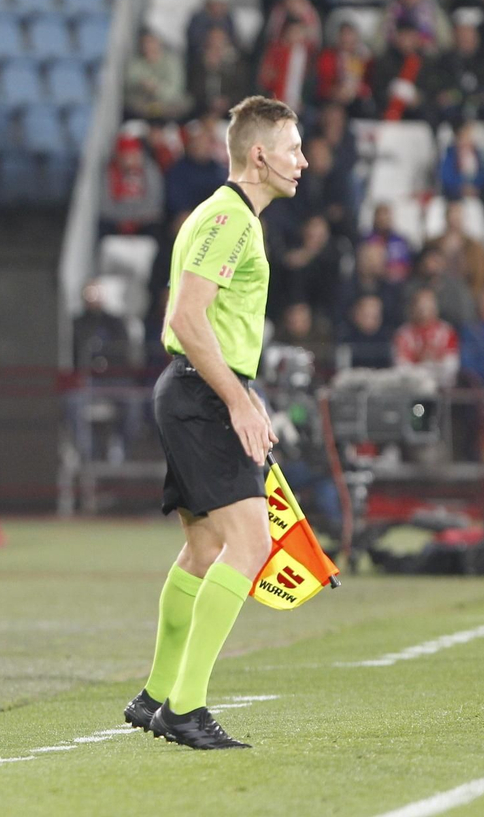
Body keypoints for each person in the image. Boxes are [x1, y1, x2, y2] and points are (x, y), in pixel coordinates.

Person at [124, 95, 303, 750]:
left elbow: (188, 316)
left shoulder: (216, 214)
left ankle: (155, 695)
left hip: (191, 389)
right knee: (249, 548)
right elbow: (186, 318)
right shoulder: (231, 219)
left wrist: (238, 393)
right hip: (203, 394)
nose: (302, 161)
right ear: (259, 155)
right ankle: (185, 708)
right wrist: (237, 399)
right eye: (292, 149)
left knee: (204, 550)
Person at [429, 24, 484, 134]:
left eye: (470, 39)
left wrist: (467, 97)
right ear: (456, 39)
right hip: (451, 122)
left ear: (477, 39)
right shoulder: (444, 62)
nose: (466, 42)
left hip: (483, 121)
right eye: (463, 39)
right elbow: (441, 95)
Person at [367, 17, 434, 122]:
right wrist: (390, 95)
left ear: (417, 38)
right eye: (403, 35)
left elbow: (431, 90)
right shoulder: (385, 61)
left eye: (410, 36)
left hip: (417, 114)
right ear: (397, 37)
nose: (407, 40)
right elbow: (377, 90)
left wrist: (419, 99)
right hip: (390, 112)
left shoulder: (426, 62)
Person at [100, 131, 164, 237]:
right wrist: (124, 220)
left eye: (134, 154)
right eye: (126, 155)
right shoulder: (109, 172)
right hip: (116, 220)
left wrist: (136, 220)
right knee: (104, 227)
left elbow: (155, 202)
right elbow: (105, 205)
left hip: (144, 220)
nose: (130, 159)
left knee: (155, 228)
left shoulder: (150, 169)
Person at [393, 288, 459, 387]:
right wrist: (423, 365)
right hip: (412, 388)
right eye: (420, 305)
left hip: (442, 387)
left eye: (428, 305)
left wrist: (431, 365)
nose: (424, 309)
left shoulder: (447, 331)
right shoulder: (403, 334)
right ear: (413, 308)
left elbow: (451, 367)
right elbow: (402, 368)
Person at [165, 123, 228, 220]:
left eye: (207, 141)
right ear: (191, 143)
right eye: (199, 141)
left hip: (218, 215)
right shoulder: (179, 170)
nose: (204, 145)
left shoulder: (218, 169)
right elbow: (179, 207)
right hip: (192, 216)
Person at [187, 25, 251, 122]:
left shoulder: (237, 65)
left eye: (219, 44)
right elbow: (193, 92)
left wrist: (227, 102)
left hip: (230, 115)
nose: (216, 48)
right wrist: (210, 70)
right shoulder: (198, 65)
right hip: (202, 114)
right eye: (212, 44)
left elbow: (242, 91)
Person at [313, 20, 374, 117]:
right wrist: (336, 92)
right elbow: (323, 84)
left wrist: (358, 90)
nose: (347, 39)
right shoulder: (328, 57)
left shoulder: (365, 59)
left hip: (358, 101)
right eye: (344, 35)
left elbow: (369, 83)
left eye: (350, 35)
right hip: (333, 100)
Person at [123, 30, 186, 121]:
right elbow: (130, 85)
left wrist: (156, 88)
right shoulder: (136, 63)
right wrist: (142, 85)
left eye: (151, 42)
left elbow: (175, 90)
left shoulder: (172, 62)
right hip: (142, 106)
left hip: (167, 106)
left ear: (159, 44)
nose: (148, 47)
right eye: (145, 44)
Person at [382, 0, 451, 53]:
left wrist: (419, 41)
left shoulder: (433, 11)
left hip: (427, 55)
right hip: (395, 54)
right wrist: (397, 40)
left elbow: (446, 41)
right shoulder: (390, 11)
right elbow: (379, 43)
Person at [255, 16, 314, 111]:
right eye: (294, 32)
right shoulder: (276, 51)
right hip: (277, 102)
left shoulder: (306, 54)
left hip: (298, 104)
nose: (297, 35)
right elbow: (265, 79)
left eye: (300, 32)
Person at [183, 0, 238, 83]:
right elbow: (194, 42)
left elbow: (234, 39)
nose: (219, 8)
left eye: (222, 4)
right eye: (216, 3)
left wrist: (222, 49)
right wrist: (209, 49)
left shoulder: (228, 19)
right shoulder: (198, 18)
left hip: (223, 55)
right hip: (201, 57)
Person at [437, 119, 484, 201]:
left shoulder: (478, 153)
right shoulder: (451, 153)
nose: (467, 139)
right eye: (464, 137)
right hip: (455, 194)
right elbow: (446, 175)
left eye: (469, 136)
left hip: (477, 192)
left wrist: (474, 186)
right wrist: (462, 187)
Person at [339, 293, 394, 370]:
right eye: (366, 315)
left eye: (375, 316)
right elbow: (342, 369)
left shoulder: (386, 339)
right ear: (356, 315)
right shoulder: (346, 339)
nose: (370, 321)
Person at [364, 202, 414, 281]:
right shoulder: (367, 240)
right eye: (380, 217)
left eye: (386, 216)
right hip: (375, 280)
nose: (383, 220)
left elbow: (407, 264)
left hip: (400, 281)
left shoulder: (400, 241)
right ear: (375, 218)